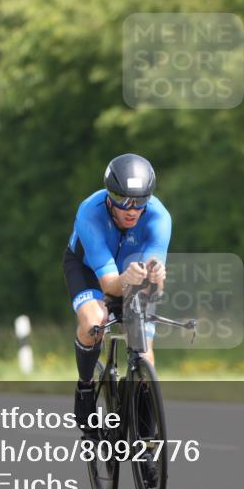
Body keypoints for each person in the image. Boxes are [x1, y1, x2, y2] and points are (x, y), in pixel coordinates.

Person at [63, 153, 171, 435]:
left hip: (131, 271)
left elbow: (152, 285)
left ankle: (146, 437)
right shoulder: (90, 212)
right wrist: (128, 279)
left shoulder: (159, 217)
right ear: (109, 195)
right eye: (123, 199)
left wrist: (155, 280)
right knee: (94, 322)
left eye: (141, 200)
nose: (132, 209)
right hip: (88, 270)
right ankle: (85, 388)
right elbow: (111, 286)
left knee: (144, 350)